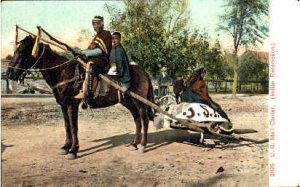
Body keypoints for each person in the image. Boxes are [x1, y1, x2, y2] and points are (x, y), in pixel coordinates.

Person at [74, 16, 112, 99]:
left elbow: (100, 51)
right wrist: (81, 52)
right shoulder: (97, 36)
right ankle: (79, 86)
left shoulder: (106, 34)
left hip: (102, 60)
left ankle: (87, 91)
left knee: (90, 64)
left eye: (96, 24)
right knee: (79, 61)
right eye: (93, 24)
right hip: (95, 58)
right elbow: (90, 50)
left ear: (102, 24)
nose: (94, 26)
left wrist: (85, 52)